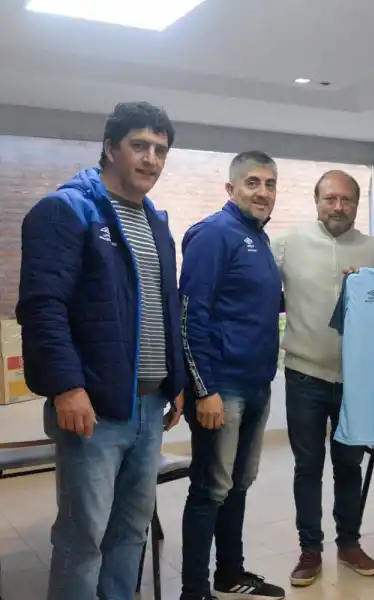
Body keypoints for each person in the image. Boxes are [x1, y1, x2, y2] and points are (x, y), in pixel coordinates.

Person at [16, 101, 186, 600]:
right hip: (94, 409)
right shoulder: (66, 210)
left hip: (151, 407)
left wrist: (173, 383)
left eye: (160, 149)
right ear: (110, 148)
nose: (151, 158)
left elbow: (165, 307)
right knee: (83, 535)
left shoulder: (156, 223)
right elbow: (43, 307)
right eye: (139, 145)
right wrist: (67, 387)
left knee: (131, 531)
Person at [272, 170, 374, 587]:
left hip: (356, 379)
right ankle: (310, 549)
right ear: (316, 200)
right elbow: (261, 295)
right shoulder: (287, 244)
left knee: (349, 466)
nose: (339, 207)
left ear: (358, 205)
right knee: (308, 466)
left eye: (348, 200)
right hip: (305, 374)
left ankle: (350, 543)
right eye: (331, 199)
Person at [179, 151, 285, 600]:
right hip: (222, 388)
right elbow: (190, 317)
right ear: (231, 189)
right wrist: (205, 390)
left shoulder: (257, 239)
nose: (263, 192)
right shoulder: (214, 235)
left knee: (238, 485)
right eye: (253, 183)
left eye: (270, 184)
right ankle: (194, 589)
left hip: (257, 383)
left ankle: (230, 573)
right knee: (210, 489)